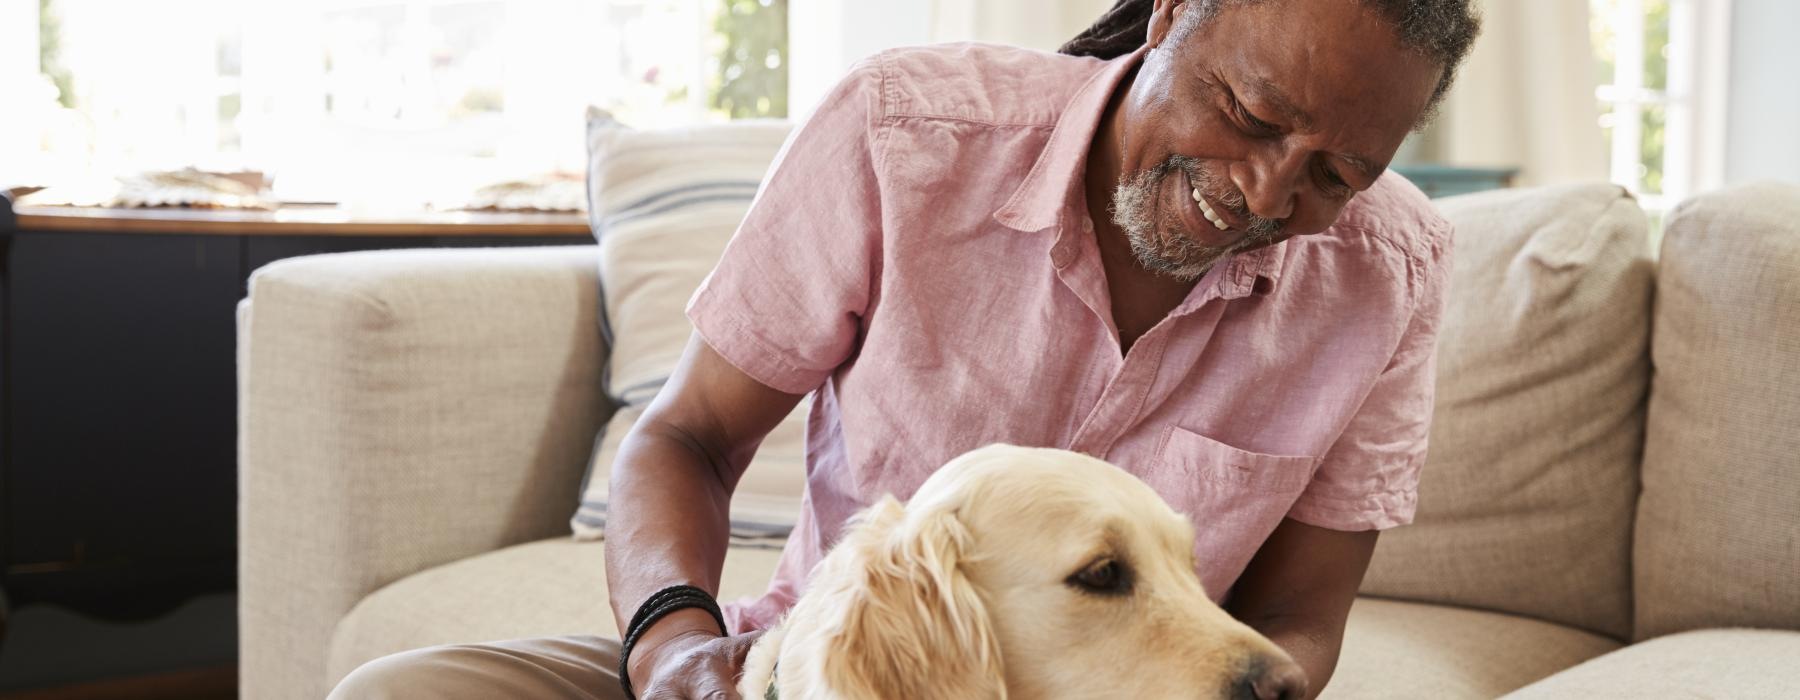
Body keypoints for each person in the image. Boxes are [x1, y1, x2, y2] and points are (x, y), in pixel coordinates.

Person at [330, 0, 1481, 698]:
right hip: (829, 671)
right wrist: (672, 651)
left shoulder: (1392, 272)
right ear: (1175, 16)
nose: (1264, 189)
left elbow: (1298, 625)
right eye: (1249, 112)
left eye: (1337, 172)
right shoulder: (906, 134)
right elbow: (682, 436)